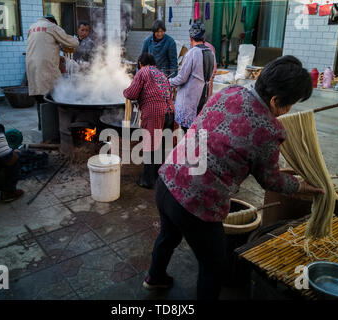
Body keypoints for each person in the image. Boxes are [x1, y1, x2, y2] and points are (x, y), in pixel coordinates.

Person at [143, 56, 324, 299]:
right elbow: (271, 181)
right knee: (214, 265)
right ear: (275, 100)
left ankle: (154, 279)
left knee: (168, 235)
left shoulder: (230, 92)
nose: (290, 111)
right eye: (290, 104)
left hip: (167, 180)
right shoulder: (269, 130)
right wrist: (303, 187)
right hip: (196, 203)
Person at [123, 53, 175, 189]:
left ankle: (146, 180)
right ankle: (161, 178)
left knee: (151, 145)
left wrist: (124, 92)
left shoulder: (143, 72)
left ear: (140, 63)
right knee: (162, 146)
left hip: (154, 112)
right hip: (169, 112)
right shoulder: (161, 74)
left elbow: (131, 93)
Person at [26, 14, 79, 129]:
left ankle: (42, 127)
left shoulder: (32, 28)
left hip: (32, 68)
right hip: (46, 68)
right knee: (51, 99)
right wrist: (76, 39)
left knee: (40, 99)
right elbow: (73, 43)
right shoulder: (52, 27)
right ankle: (53, 129)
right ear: (53, 22)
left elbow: (45, 45)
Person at [169, 22, 215, 132]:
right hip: (203, 96)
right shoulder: (210, 52)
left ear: (191, 38)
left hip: (190, 99)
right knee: (197, 128)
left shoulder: (192, 53)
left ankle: (189, 148)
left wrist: (168, 81)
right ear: (203, 38)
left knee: (188, 131)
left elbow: (182, 78)